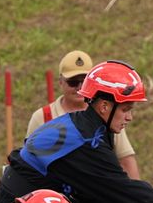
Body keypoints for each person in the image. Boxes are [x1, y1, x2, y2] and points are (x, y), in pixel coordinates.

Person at [0, 60, 153, 203]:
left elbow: (97, 192)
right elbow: (124, 189)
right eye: (126, 110)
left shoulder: (85, 125)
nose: (130, 117)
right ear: (104, 106)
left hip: (32, 197)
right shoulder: (87, 140)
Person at [26, 49, 141, 179]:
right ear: (60, 82)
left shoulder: (107, 115)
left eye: (84, 81)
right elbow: (29, 163)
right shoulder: (42, 116)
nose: (79, 87)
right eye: (73, 82)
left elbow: (125, 160)